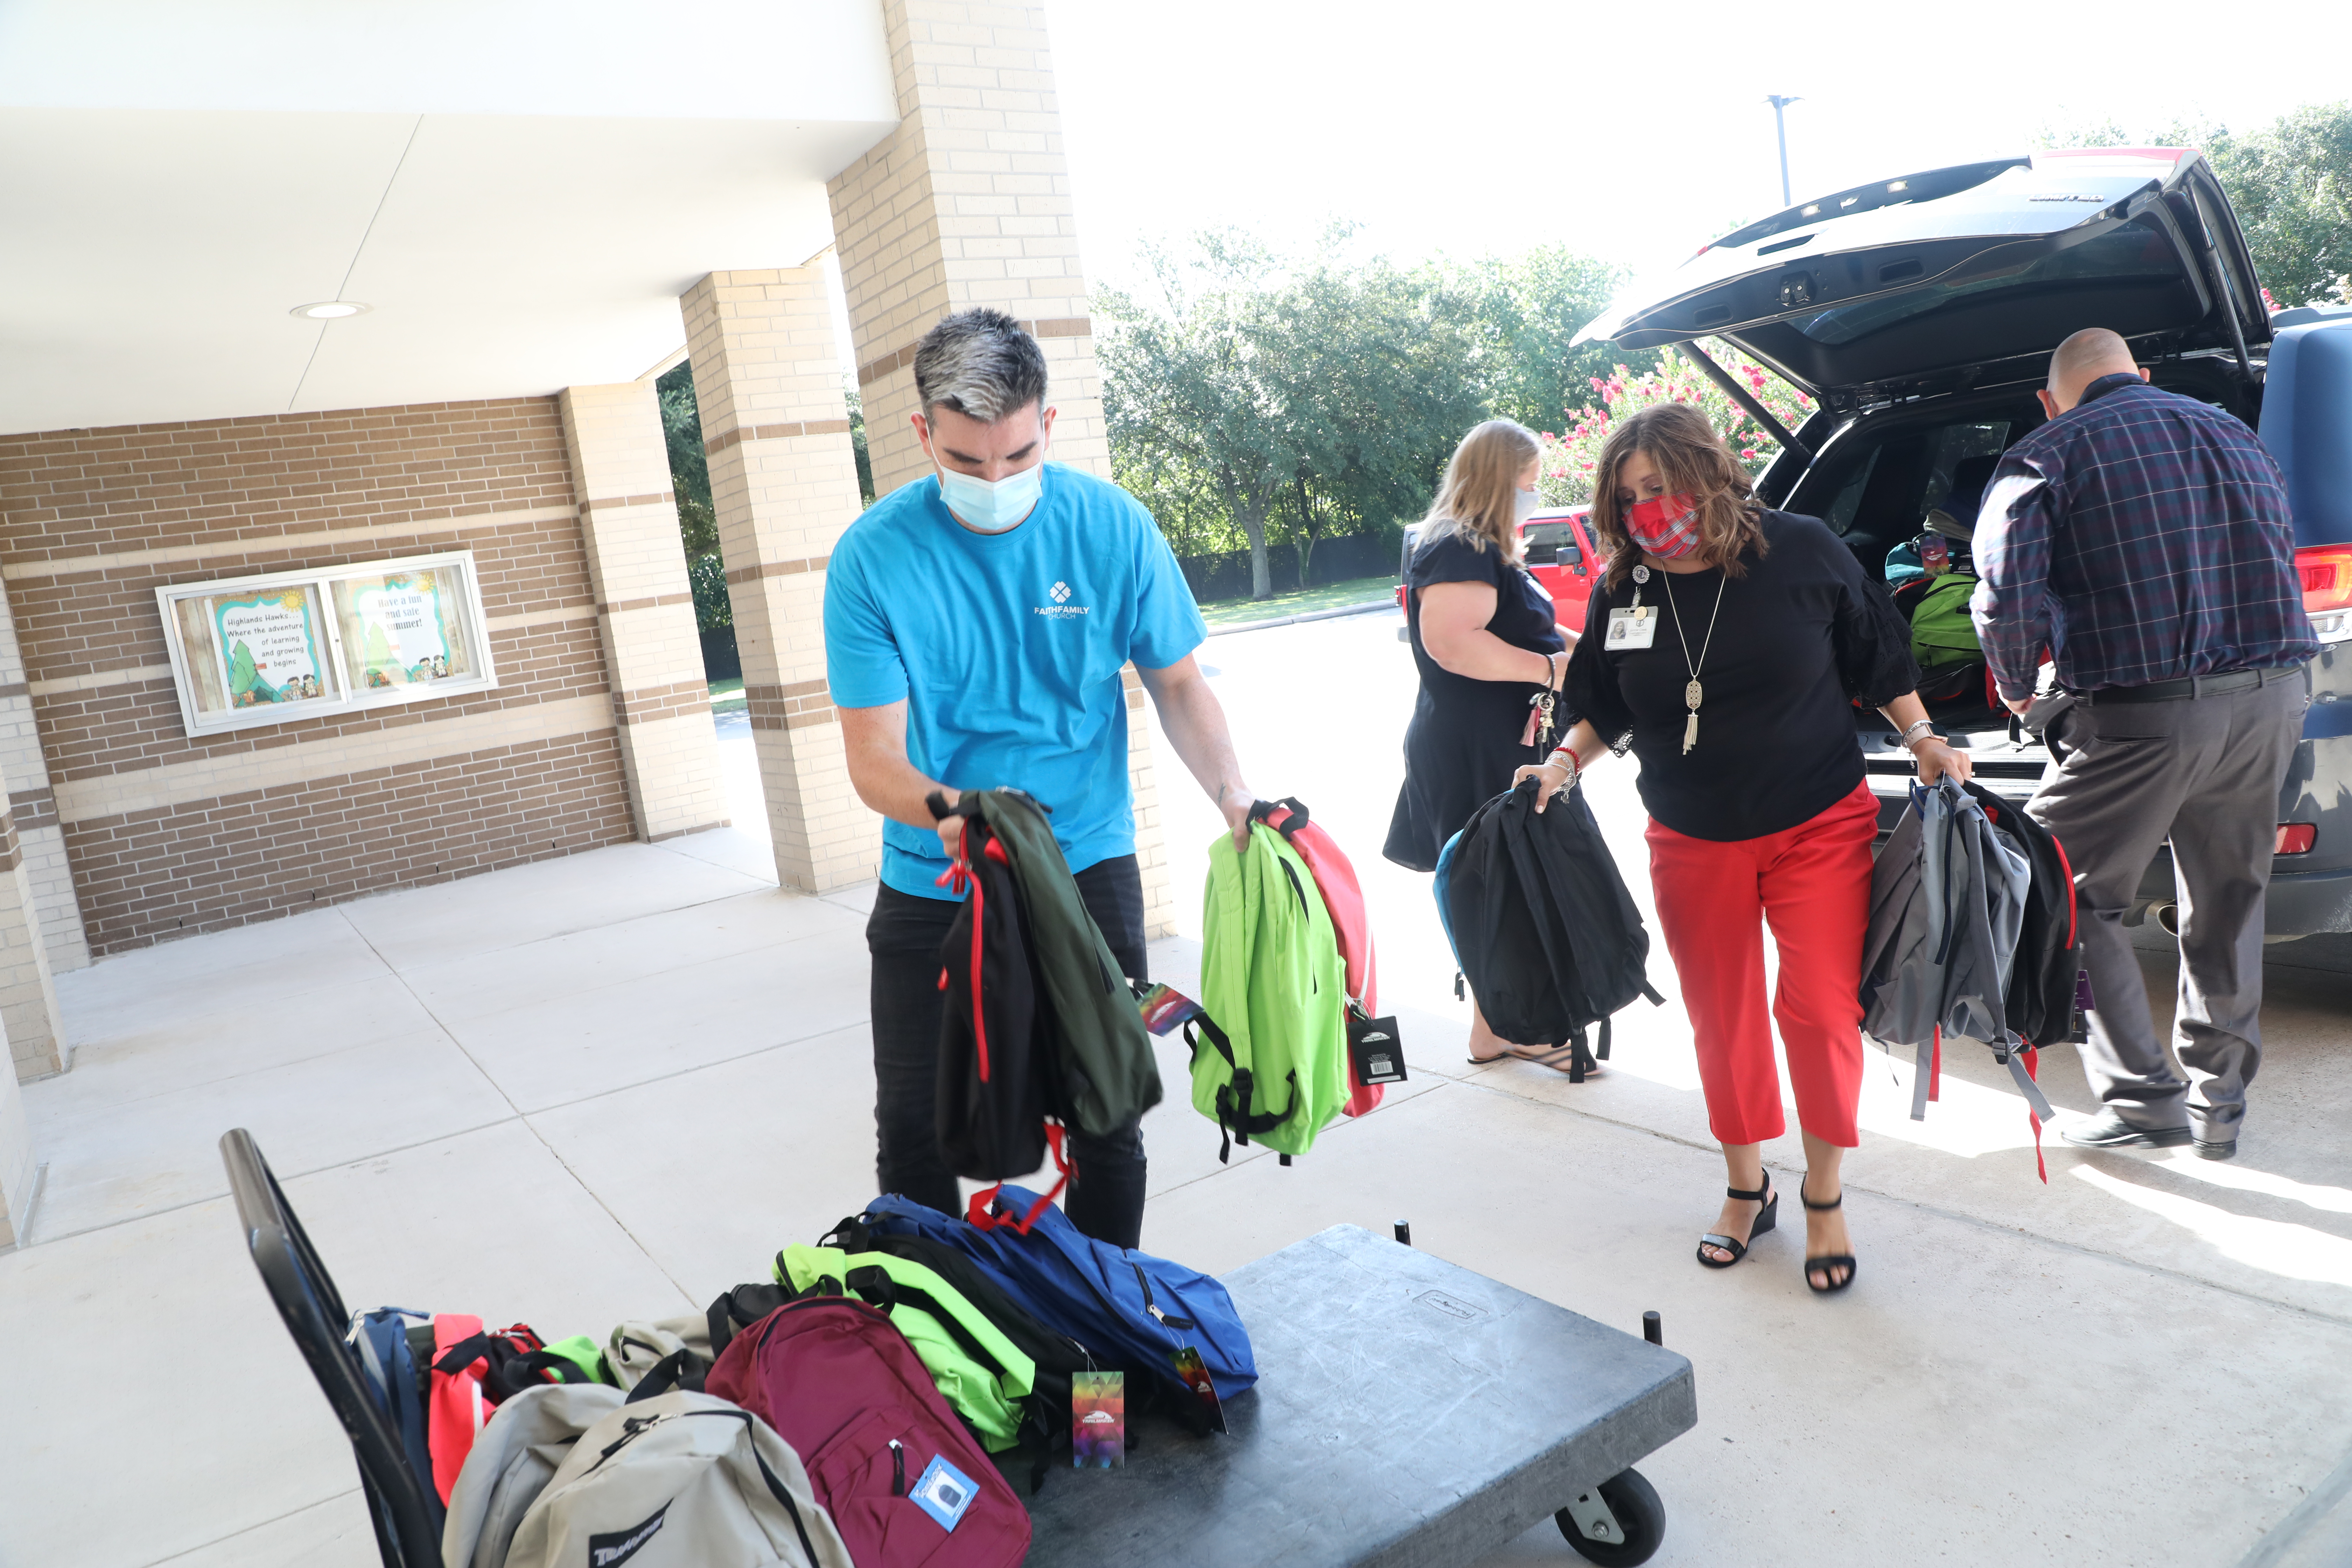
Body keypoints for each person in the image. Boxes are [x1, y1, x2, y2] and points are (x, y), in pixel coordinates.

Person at [825, 308, 1259, 1250]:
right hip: (934, 873)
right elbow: (873, 758)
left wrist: (1231, 790)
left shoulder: (1113, 529)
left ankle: (1101, 1332)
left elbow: (1179, 684)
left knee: (1109, 1121)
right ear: (923, 436)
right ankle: (944, 1344)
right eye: (969, 462)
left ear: (1048, 426)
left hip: (1087, 862)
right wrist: (949, 814)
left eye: (1017, 458)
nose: (996, 482)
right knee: (912, 1134)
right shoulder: (872, 557)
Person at [1517, 401, 1974, 1293]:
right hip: (1692, 836)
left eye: (1662, 486)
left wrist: (1923, 740)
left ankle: (1826, 1194)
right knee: (1722, 1017)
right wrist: (1563, 761)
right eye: (1630, 496)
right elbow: (1604, 704)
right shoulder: (1627, 587)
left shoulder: (1799, 548)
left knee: (1815, 1010)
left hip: (1817, 823)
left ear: (1707, 474)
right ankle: (1745, 1182)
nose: (1649, 509)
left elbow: (1879, 661)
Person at [1973, 328, 2315, 1162]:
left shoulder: (2046, 452)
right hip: (2274, 700)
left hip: (2147, 715)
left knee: (2059, 882)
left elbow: (2002, 594)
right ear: (2142, 374)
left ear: (2050, 398)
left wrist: (2018, 686)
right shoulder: (2235, 431)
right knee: (2228, 897)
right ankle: (2218, 1107)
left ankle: (2143, 1096)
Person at [1381, 420, 1578, 1069]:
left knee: (1497, 881)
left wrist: (1581, 654)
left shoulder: (1478, 550)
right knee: (1497, 883)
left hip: (1485, 740)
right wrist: (1549, 670)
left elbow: (1529, 634)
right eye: (1528, 485)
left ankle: (1494, 1028)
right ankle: (1514, 1025)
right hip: (1472, 746)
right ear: (1497, 481)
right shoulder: (1460, 548)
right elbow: (1453, 642)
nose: (1535, 495)